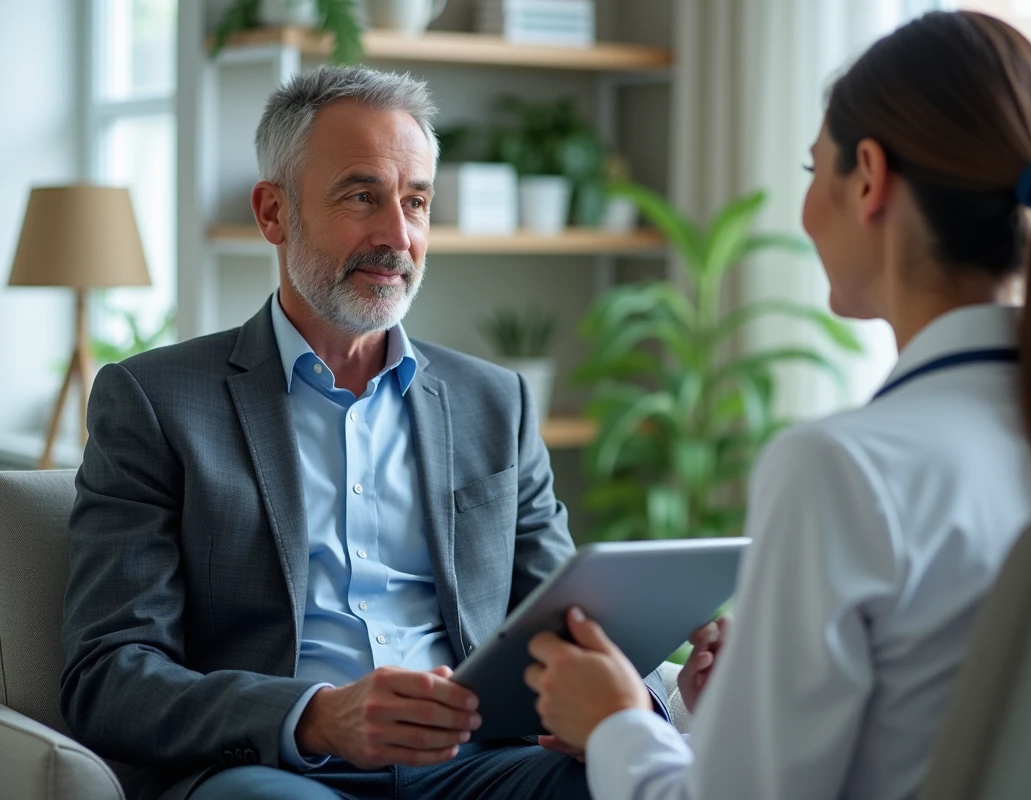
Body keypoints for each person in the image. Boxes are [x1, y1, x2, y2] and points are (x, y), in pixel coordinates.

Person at [523, 11, 1031, 800]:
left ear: (868, 178)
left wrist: (616, 722)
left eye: (813, 172)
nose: (806, 210)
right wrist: (724, 718)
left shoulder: (845, 468)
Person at [59, 66, 667, 800]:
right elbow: (109, 674)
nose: (398, 235)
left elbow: (565, 623)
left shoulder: (493, 403)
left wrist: (663, 690)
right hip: (271, 770)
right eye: (361, 196)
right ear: (273, 213)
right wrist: (316, 718)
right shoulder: (155, 402)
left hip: (474, 767)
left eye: (416, 202)